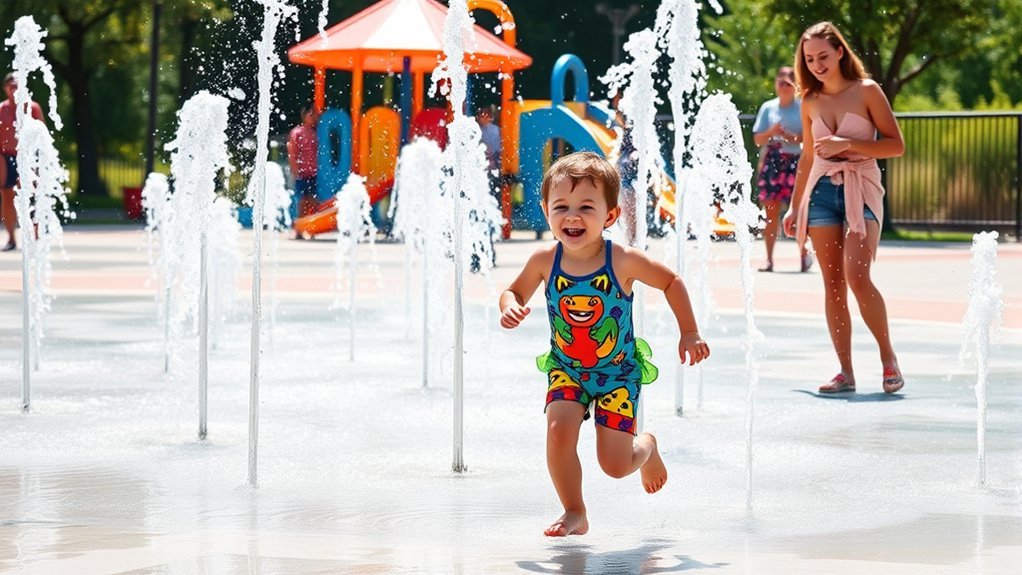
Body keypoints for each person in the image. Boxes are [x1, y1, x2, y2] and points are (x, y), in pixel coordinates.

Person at [498, 152, 710, 536]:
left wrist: (690, 331)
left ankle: (646, 447)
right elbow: (513, 291)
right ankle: (574, 511)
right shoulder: (546, 259)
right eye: (561, 206)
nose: (572, 216)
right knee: (559, 432)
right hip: (568, 370)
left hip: (617, 374)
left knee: (614, 466)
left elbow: (671, 282)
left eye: (585, 207)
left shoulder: (622, 260)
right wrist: (510, 306)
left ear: (610, 216)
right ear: (546, 210)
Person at [781, 21, 906, 394]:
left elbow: (895, 145)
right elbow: (807, 156)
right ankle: (845, 372)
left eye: (823, 56)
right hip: (819, 193)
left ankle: (888, 358)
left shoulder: (866, 91)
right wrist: (792, 206)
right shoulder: (809, 100)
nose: (817, 64)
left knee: (857, 276)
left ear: (839, 52)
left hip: (861, 189)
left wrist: (843, 145)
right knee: (832, 285)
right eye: (809, 58)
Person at [752, 66, 812, 272]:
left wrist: (793, 138)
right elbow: (758, 139)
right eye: (781, 80)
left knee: (800, 211)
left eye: (789, 80)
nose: (785, 84)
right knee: (771, 213)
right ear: (776, 83)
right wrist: (772, 131)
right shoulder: (768, 108)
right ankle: (768, 259)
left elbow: (810, 137)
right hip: (773, 163)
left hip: (796, 162)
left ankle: (804, 255)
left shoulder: (803, 106)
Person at [0, 73, 44, 252]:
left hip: (27, 157)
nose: (15, 89)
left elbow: (42, 134)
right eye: (11, 86)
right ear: (5, 88)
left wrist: (38, 162)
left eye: (18, 85)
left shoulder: (32, 108)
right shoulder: (1, 109)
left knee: (31, 197)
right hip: (5, 156)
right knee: (8, 198)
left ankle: (36, 238)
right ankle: (11, 238)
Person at [287, 107, 319, 218]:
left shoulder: (315, 133)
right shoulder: (298, 132)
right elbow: (293, 153)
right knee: (302, 200)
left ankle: (311, 225)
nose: (314, 117)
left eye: (314, 115)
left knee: (312, 198)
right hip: (302, 172)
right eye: (311, 115)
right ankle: (300, 227)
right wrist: (296, 171)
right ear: (304, 116)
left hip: (313, 172)